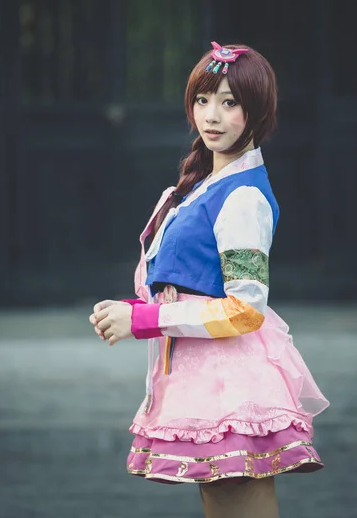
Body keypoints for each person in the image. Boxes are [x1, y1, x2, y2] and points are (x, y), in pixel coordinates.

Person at [89, 42, 329, 518]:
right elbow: (189, 280)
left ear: (256, 111)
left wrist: (145, 320)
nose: (211, 115)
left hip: (232, 380)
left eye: (229, 102)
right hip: (203, 372)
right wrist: (134, 310)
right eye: (203, 100)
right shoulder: (200, 187)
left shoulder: (242, 197)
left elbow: (244, 309)